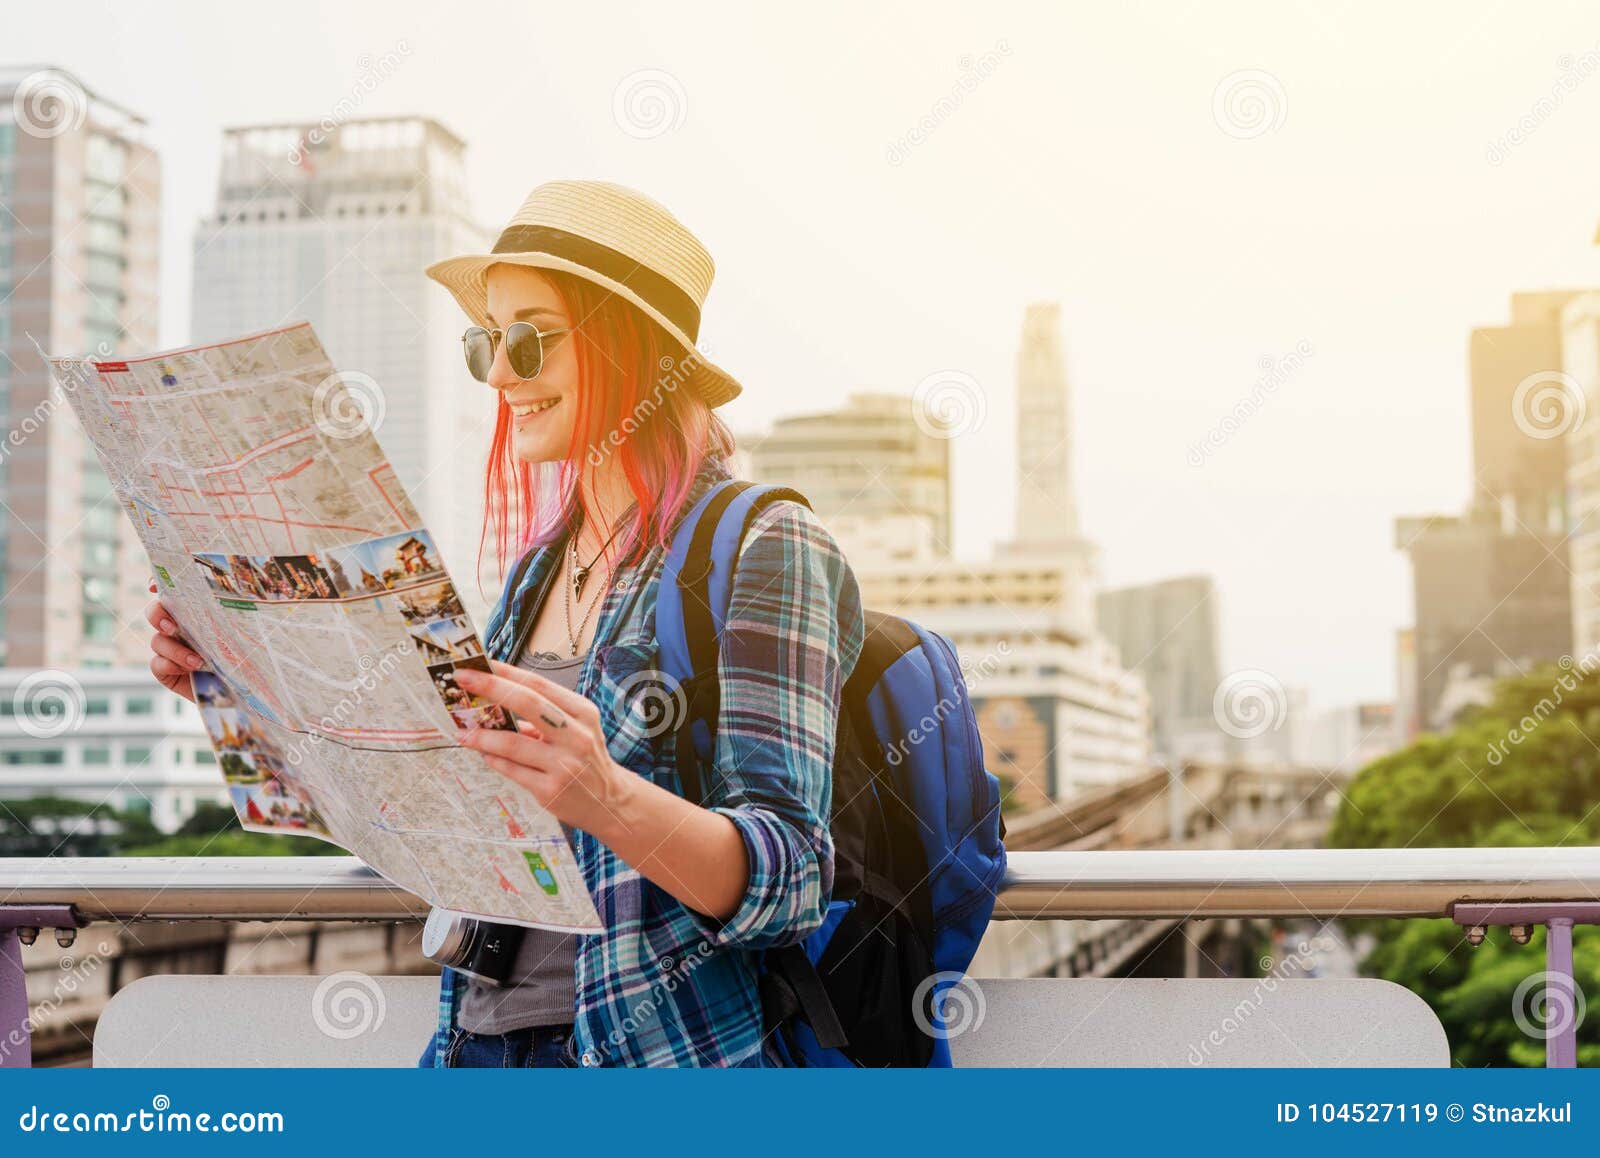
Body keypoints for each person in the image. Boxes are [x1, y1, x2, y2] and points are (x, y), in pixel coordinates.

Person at [144, 180, 865, 1068]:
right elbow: (446, 824)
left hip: (650, 1061)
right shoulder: (534, 573)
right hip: (475, 1047)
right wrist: (241, 680)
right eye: (485, 340)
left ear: (636, 347)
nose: (497, 373)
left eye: (528, 337)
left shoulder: (765, 543)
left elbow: (790, 879)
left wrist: (607, 796)